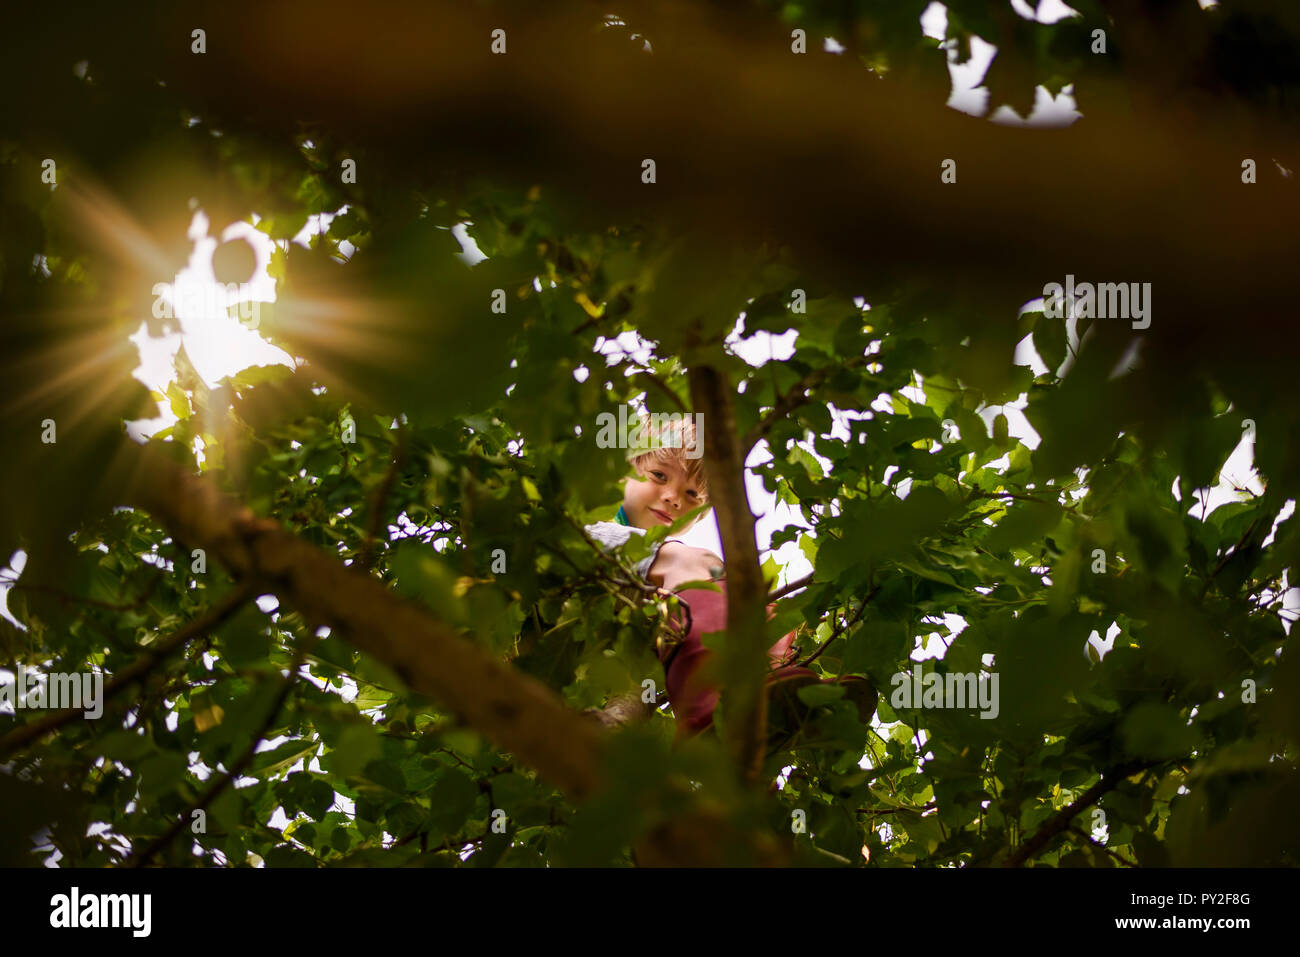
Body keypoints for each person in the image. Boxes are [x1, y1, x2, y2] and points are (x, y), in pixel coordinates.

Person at [584, 413, 874, 744]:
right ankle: (712, 708)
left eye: (693, 495)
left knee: (752, 604)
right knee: (700, 566)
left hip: (635, 605)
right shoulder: (594, 531)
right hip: (592, 557)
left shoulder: (664, 566)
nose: (674, 497)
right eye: (659, 475)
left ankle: (777, 704)